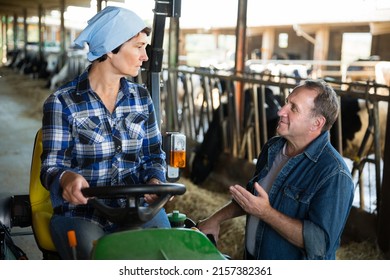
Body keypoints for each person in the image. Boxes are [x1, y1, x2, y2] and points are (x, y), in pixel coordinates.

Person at [40, 6, 170, 260]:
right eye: (139, 46)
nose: (145, 56)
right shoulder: (62, 102)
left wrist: (155, 180)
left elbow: (154, 155)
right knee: (96, 258)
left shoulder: (141, 98)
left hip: (138, 209)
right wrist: (66, 179)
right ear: (111, 49)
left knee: (166, 254)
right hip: (84, 212)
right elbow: (51, 166)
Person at [198, 79, 355, 260]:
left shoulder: (334, 174)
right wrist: (215, 219)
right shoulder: (273, 148)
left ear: (316, 123)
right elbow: (253, 199)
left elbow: (320, 243)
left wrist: (266, 213)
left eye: (293, 108)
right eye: (286, 102)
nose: (281, 111)